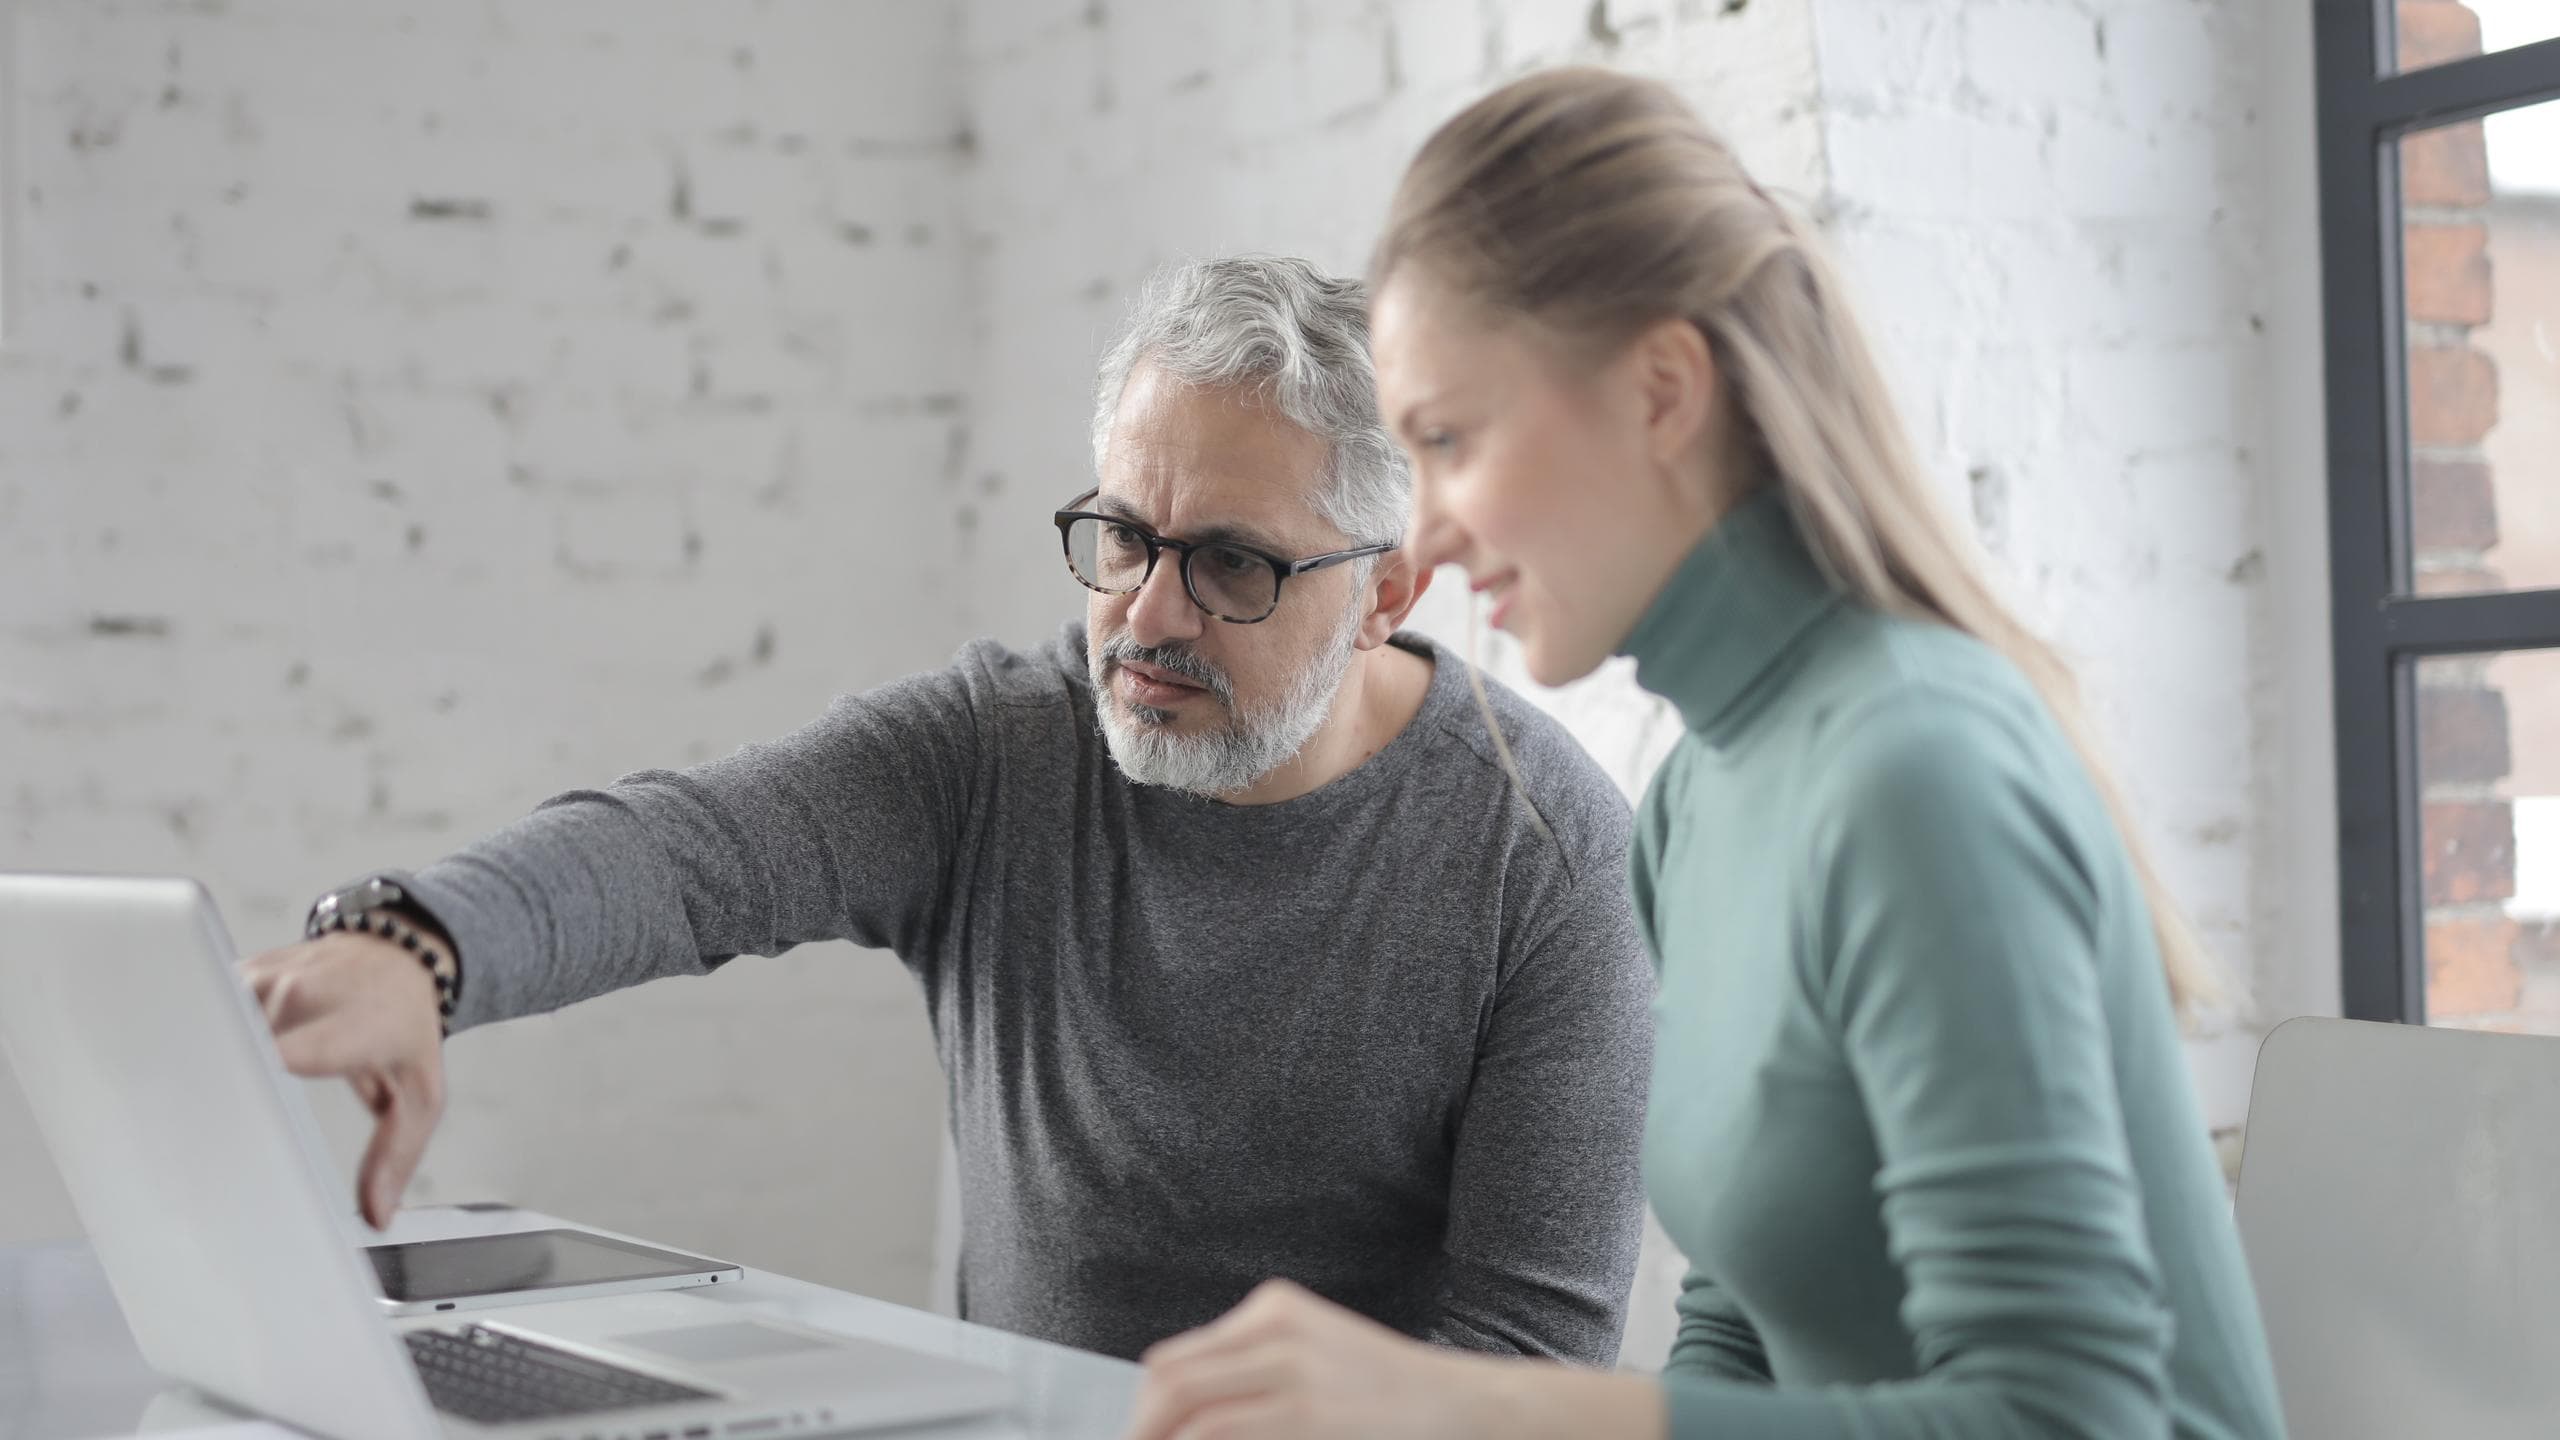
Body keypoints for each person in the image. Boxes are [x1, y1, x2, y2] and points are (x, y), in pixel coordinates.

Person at [1125, 70, 2288, 1439]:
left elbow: (2070, 1419)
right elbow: (1741, 1328)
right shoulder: (1691, 805)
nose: (1424, 538)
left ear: (1663, 390)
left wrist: (1468, 1412)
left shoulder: (1920, 772)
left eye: (1448, 439)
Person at [243, 256, 1655, 1365]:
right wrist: (417, 945)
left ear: (1388, 594)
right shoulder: (1001, 749)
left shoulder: (1552, 860)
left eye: (1231, 564)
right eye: (1122, 539)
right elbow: (692, 854)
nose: (1145, 617)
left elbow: (1532, 1365)